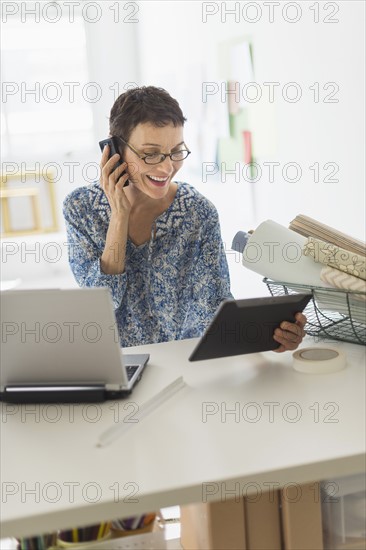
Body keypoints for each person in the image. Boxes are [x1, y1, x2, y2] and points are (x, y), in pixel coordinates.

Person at [63, 85, 306, 353]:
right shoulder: (80, 209)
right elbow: (101, 307)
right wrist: (119, 215)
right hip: (117, 367)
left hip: (184, 367)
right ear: (114, 150)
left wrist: (267, 336)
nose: (167, 168)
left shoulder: (198, 213)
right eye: (151, 154)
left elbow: (215, 307)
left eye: (176, 151)